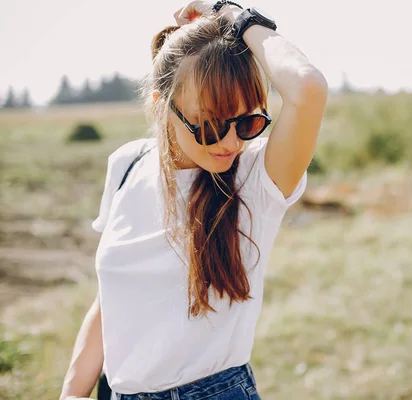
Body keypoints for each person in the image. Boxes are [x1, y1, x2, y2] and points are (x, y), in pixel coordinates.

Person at [59, 1, 328, 399]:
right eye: (211, 124)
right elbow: (112, 299)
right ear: (160, 106)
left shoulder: (256, 176)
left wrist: (231, 14)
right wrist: (71, 393)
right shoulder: (128, 164)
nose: (232, 142)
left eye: (248, 122)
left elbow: (307, 87)